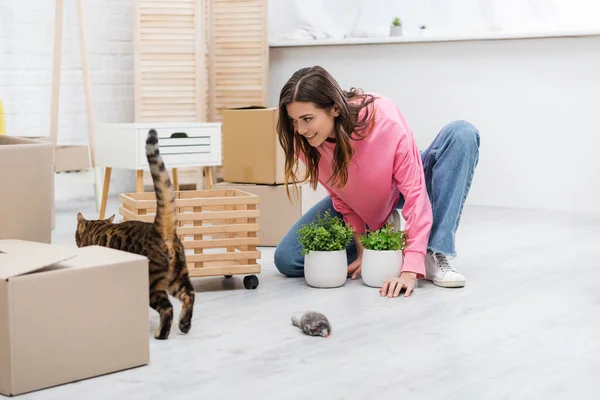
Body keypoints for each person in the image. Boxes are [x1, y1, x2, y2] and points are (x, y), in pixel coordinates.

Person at [273, 65, 480, 298]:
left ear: (335, 109)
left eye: (307, 119)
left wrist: (410, 271)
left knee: (462, 133)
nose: (300, 129)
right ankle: (383, 235)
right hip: (364, 199)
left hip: (404, 179)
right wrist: (362, 248)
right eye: (293, 121)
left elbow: (415, 196)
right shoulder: (303, 139)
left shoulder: (383, 118)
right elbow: (340, 194)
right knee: (287, 259)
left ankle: (433, 251)